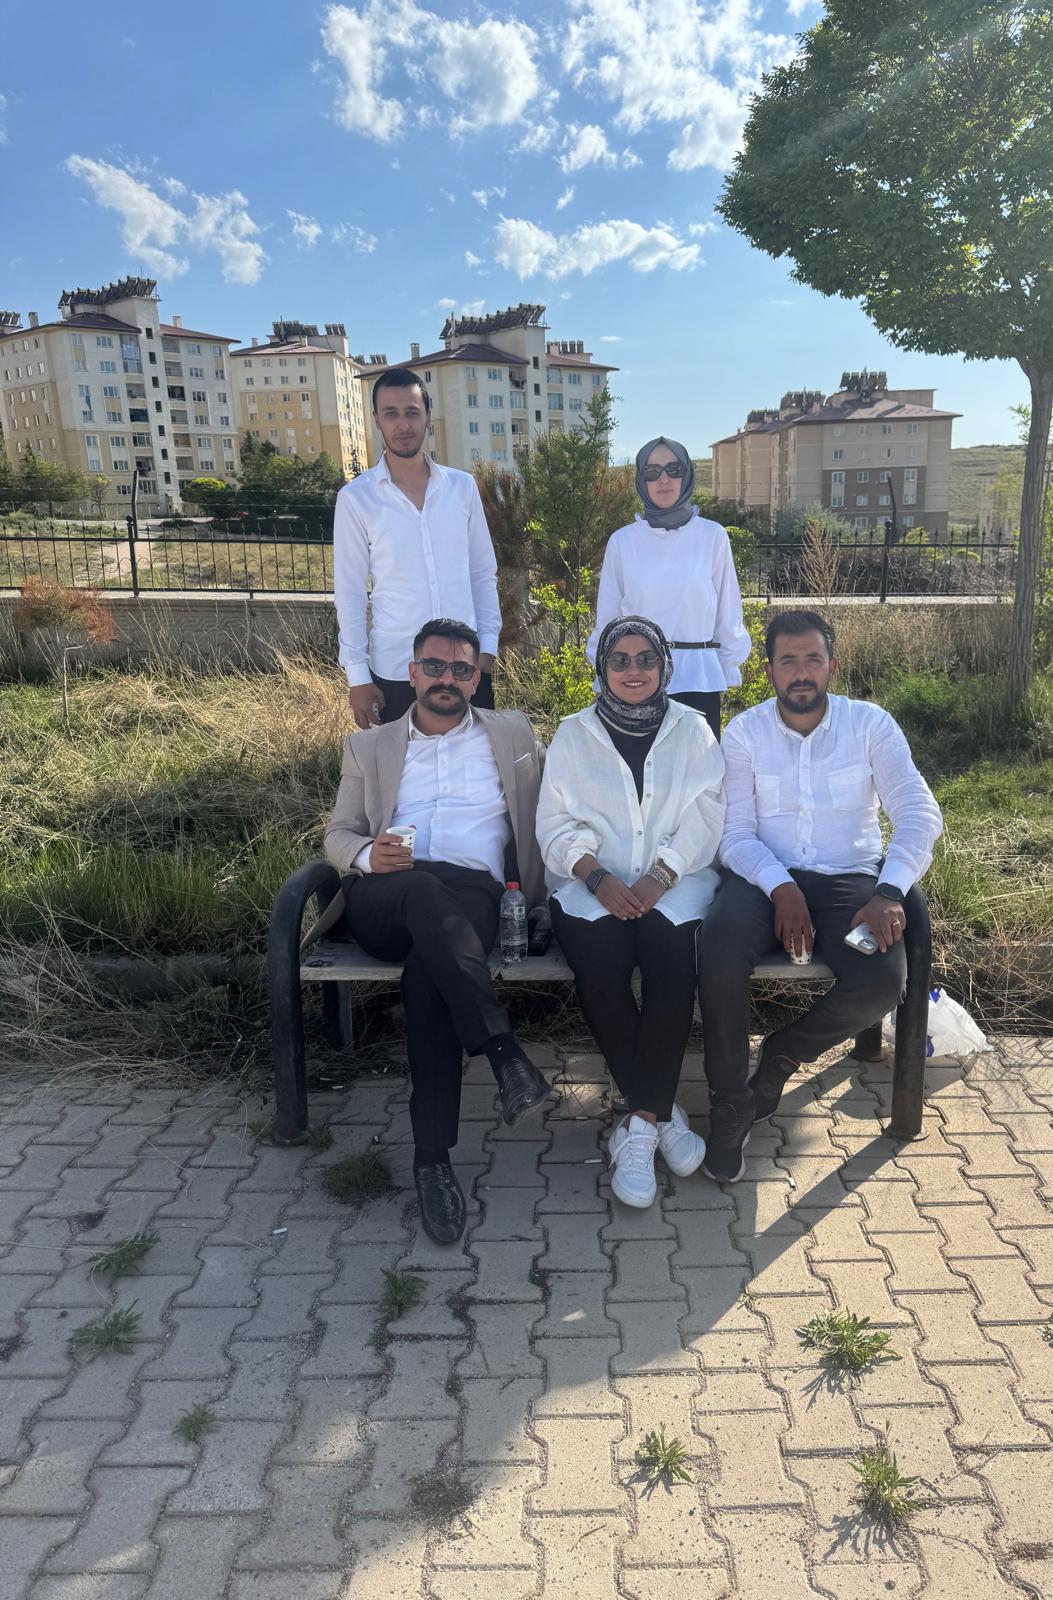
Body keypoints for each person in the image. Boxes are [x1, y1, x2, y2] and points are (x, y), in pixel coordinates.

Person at [324, 618, 550, 1243]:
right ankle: (504, 1055)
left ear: (476, 679)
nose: (447, 678)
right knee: (422, 890)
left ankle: (432, 1162)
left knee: (430, 980)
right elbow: (337, 834)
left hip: (474, 893)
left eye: (461, 669)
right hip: (387, 892)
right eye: (434, 666)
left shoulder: (513, 733)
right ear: (411, 673)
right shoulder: (368, 746)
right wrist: (366, 854)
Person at [698, 609, 943, 1182]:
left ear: (832, 665)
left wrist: (889, 890)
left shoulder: (870, 725)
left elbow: (917, 812)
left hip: (850, 880)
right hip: (763, 877)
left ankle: (782, 1055)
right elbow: (734, 834)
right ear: (768, 672)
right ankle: (731, 1101)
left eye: (813, 659)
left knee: (881, 980)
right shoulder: (744, 733)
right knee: (719, 950)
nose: (801, 672)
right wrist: (781, 887)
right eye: (788, 661)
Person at [536, 617, 726, 1207]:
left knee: (672, 963)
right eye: (619, 659)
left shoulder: (693, 729)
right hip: (589, 885)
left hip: (677, 884)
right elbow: (553, 823)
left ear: (665, 666)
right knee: (601, 963)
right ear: (602, 669)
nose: (634, 670)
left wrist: (661, 874)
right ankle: (662, 1116)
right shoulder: (572, 735)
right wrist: (596, 876)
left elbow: (708, 814)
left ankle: (638, 1129)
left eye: (647, 658)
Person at [334, 366, 503, 729]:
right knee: (401, 765)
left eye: (412, 412)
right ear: (377, 420)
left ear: (428, 415)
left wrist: (487, 647)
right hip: (396, 669)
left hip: (465, 668)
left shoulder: (462, 488)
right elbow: (350, 591)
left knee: (476, 762)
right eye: (391, 413)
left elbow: (482, 573)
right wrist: (357, 676)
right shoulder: (356, 498)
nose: (403, 424)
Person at [587, 437, 750, 740]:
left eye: (673, 470)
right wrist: (606, 674)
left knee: (698, 768)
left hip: (698, 681)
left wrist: (728, 666)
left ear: (686, 475)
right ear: (641, 480)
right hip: (636, 680)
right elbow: (608, 620)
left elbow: (728, 613)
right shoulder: (622, 542)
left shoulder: (712, 536)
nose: (663, 479)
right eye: (652, 472)